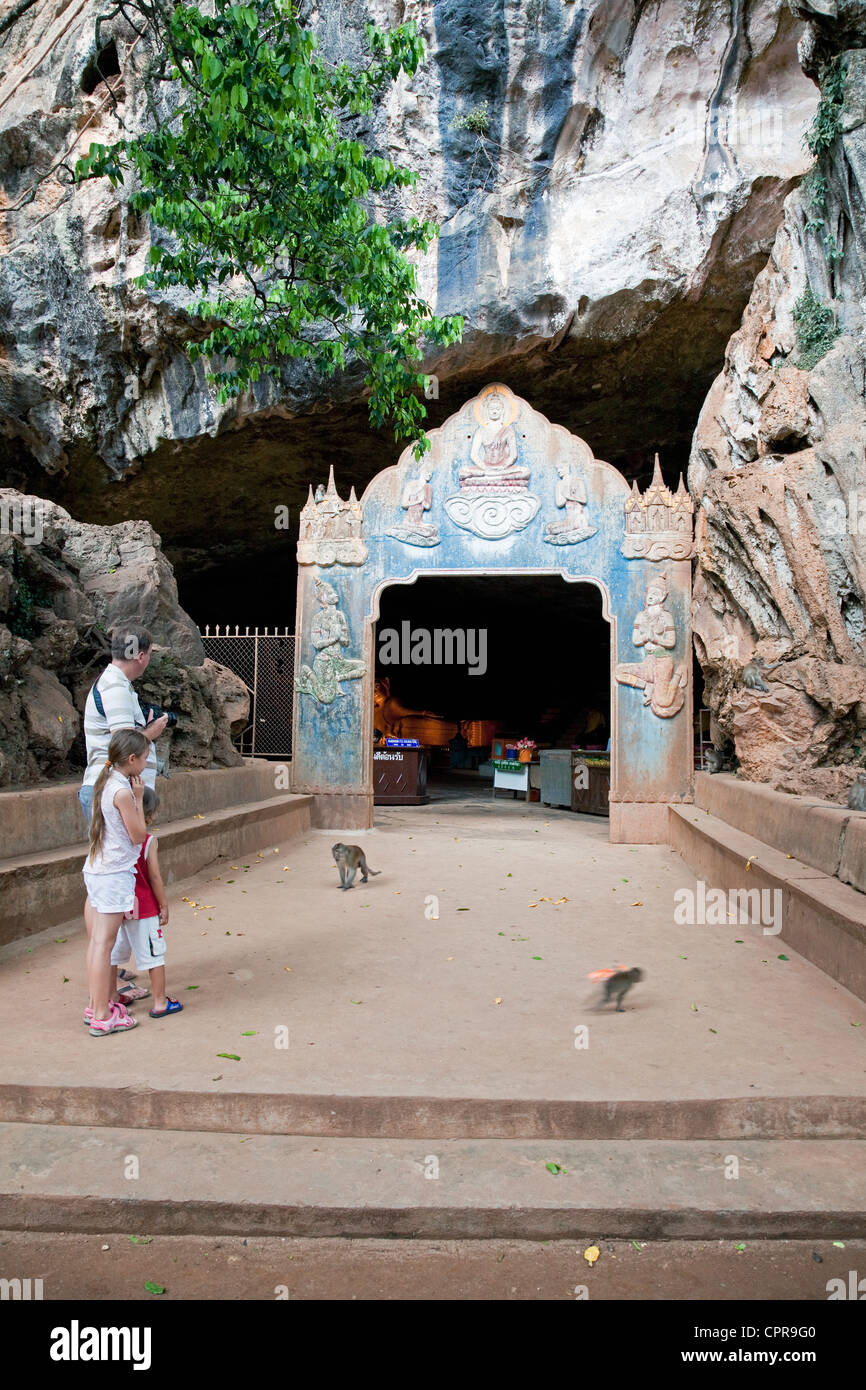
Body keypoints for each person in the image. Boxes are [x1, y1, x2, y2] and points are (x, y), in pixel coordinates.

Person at [82, 729, 150, 1036]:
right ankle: (101, 1015)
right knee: (103, 946)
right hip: (112, 874)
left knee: (98, 944)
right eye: (145, 758)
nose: (147, 764)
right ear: (132, 759)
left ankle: (100, 1003)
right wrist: (138, 797)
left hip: (97, 869)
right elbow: (138, 835)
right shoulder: (123, 792)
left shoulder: (106, 781)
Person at [109, 787, 181, 1019]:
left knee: (112, 955)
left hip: (118, 905)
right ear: (149, 815)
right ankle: (160, 1002)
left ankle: (112, 996)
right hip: (144, 907)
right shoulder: (148, 842)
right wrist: (164, 904)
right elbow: (155, 877)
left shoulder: (115, 841)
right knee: (154, 956)